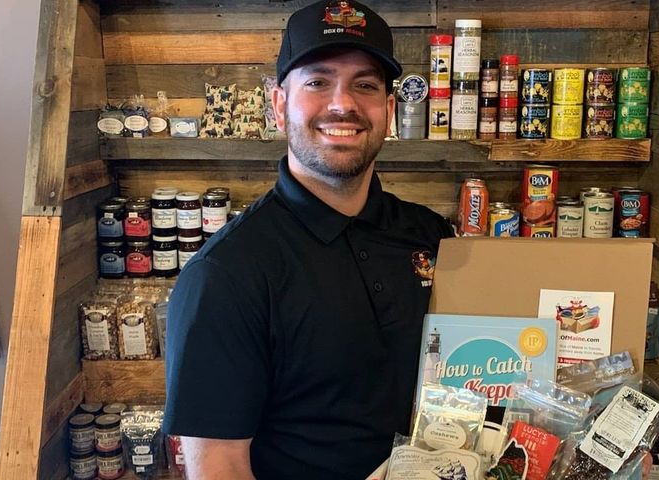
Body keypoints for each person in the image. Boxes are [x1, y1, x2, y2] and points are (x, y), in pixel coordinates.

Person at [162, 1, 455, 478]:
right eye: (318, 82)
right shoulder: (226, 274)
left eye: (365, 85)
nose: (343, 104)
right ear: (279, 105)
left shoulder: (430, 235)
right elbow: (220, 469)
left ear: (389, 110)